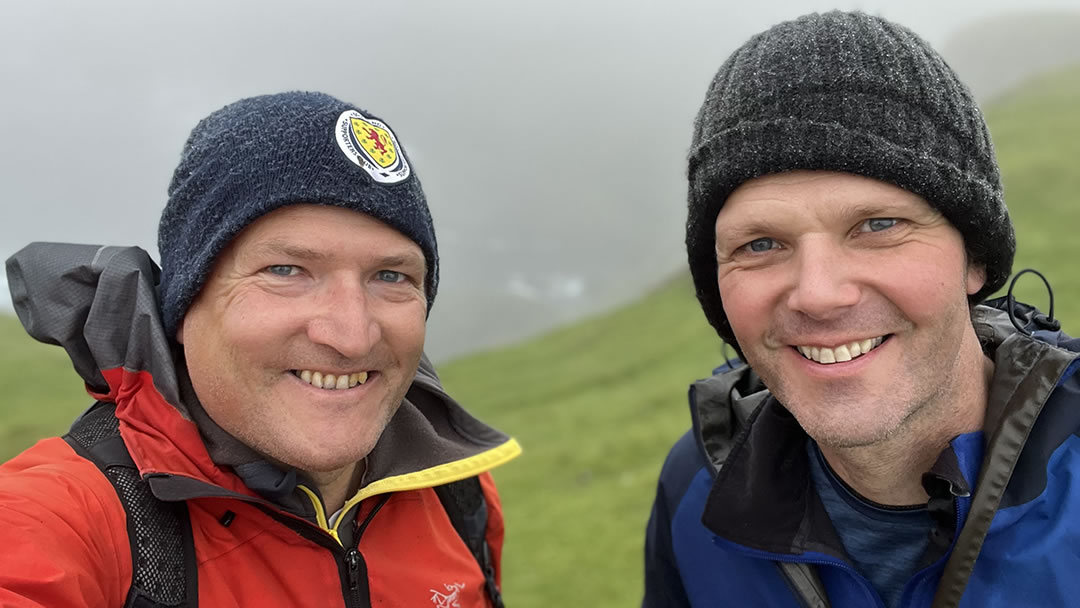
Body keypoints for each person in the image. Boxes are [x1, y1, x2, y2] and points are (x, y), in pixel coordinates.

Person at [0, 91, 521, 607]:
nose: (351, 335)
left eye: (391, 275)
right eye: (285, 270)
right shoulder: (63, 520)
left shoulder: (454, 492)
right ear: (184, 307)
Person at [643, 11, 1080, 608]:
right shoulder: (700, 485)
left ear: (973, 258)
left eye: (879, 225)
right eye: (760, 244)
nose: (818, 293)